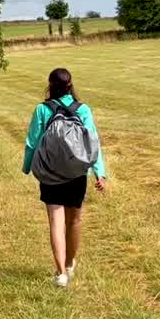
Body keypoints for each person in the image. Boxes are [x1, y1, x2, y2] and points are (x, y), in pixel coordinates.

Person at [22, 68, 107, 288]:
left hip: (50, 173)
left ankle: (60, 274)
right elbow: (93, 142)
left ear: (50, 85)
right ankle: (69, 264)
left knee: (55, 222)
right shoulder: (83, 109)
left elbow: (32, 142)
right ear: (70, 86)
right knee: (74, 221)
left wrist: (27, 167)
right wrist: (99, 172)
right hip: (77, 173)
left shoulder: (42, 109)